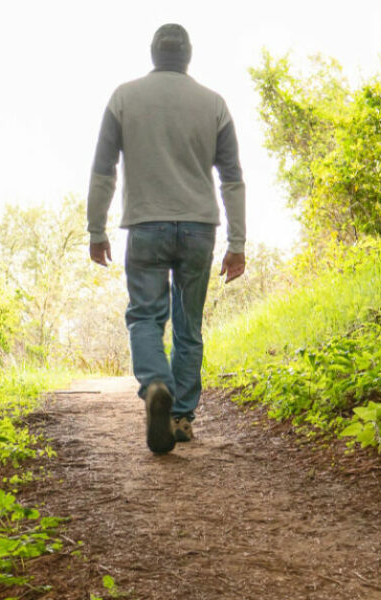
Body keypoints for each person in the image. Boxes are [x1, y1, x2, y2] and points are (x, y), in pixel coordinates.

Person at [86, 23, 246, 455]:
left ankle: (157, 383)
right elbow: (231, 178)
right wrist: (238, 242)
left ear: (153, 53)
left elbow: (103, 170)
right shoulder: (214, 103)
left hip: (146, 224)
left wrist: (96, 229)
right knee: (189, 327)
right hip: (199, 227)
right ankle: (180, 418)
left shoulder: (124, 97)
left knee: (145, 318)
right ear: (188, 56)